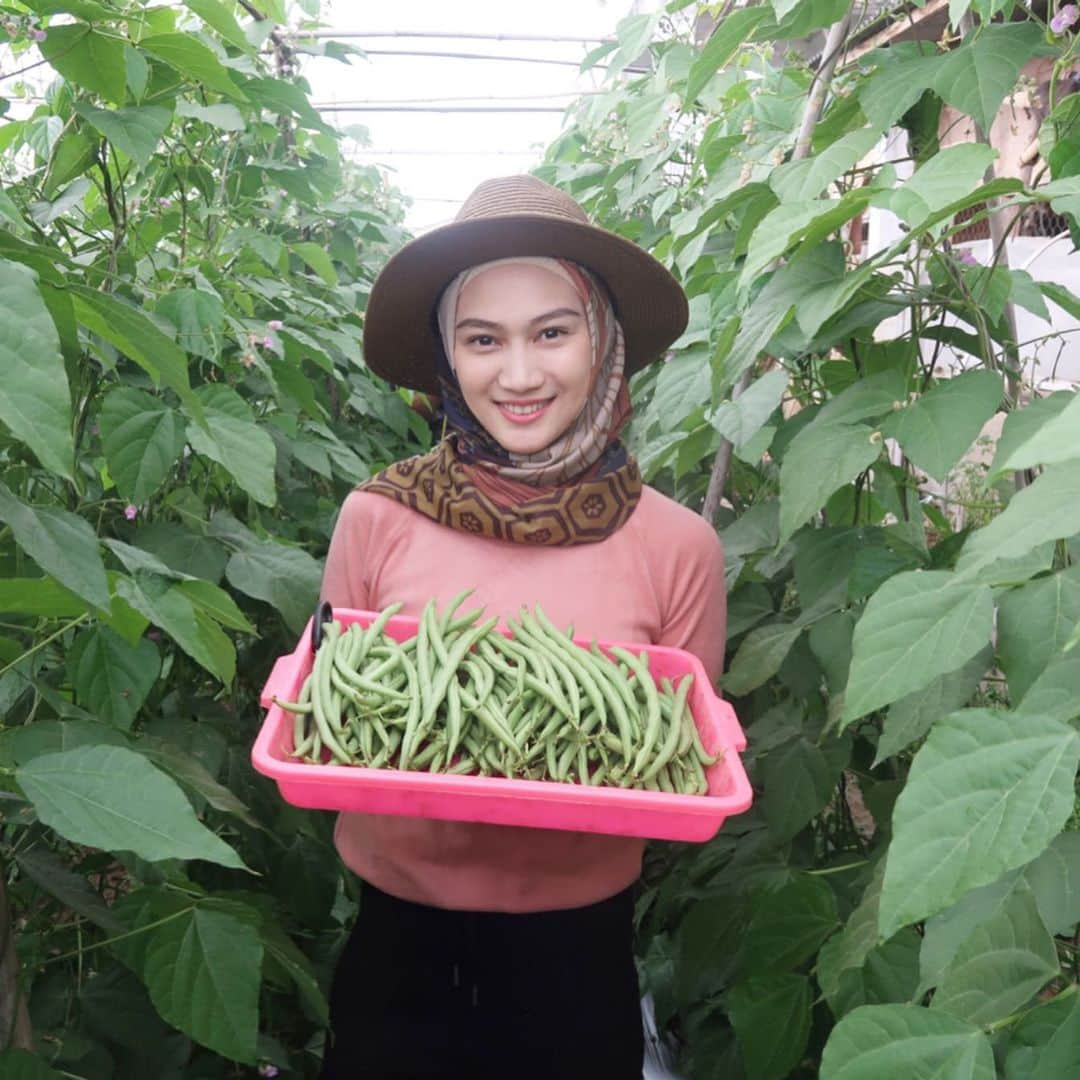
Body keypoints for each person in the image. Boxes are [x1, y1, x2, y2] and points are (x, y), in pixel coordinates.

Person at [317, 175, 726, 1079]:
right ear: (446, 360)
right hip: (398, 943)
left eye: (553, 330)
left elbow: (681, 759)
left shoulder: (678, 545)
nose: (521, 374)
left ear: (603, 341)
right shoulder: (378, 518)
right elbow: (326, 716)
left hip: (576, 958)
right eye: (482, 339)